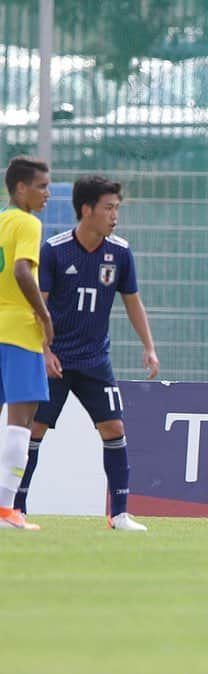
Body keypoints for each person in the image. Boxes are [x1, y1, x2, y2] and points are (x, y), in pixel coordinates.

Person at [14, 175, 159, 531]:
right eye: (108, 208)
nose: (115, 216)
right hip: (57, 360)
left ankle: (120, 513)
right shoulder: (55, 250)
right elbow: (40, 306)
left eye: (117, 208)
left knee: (113, 427)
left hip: (96, 361)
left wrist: (149, 347)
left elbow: (133, 302)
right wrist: (44, 351)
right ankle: (17, 509)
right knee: (36, 429)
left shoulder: (120, 252)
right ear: (86, 210)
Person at [0, 156, 53, 530]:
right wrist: (44, 315)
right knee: (21, 421)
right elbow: (21, 269)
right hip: (19, 331)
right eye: (42, 186)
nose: (47, 194)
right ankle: (5, 510)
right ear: (21, 188)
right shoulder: (27, 223)